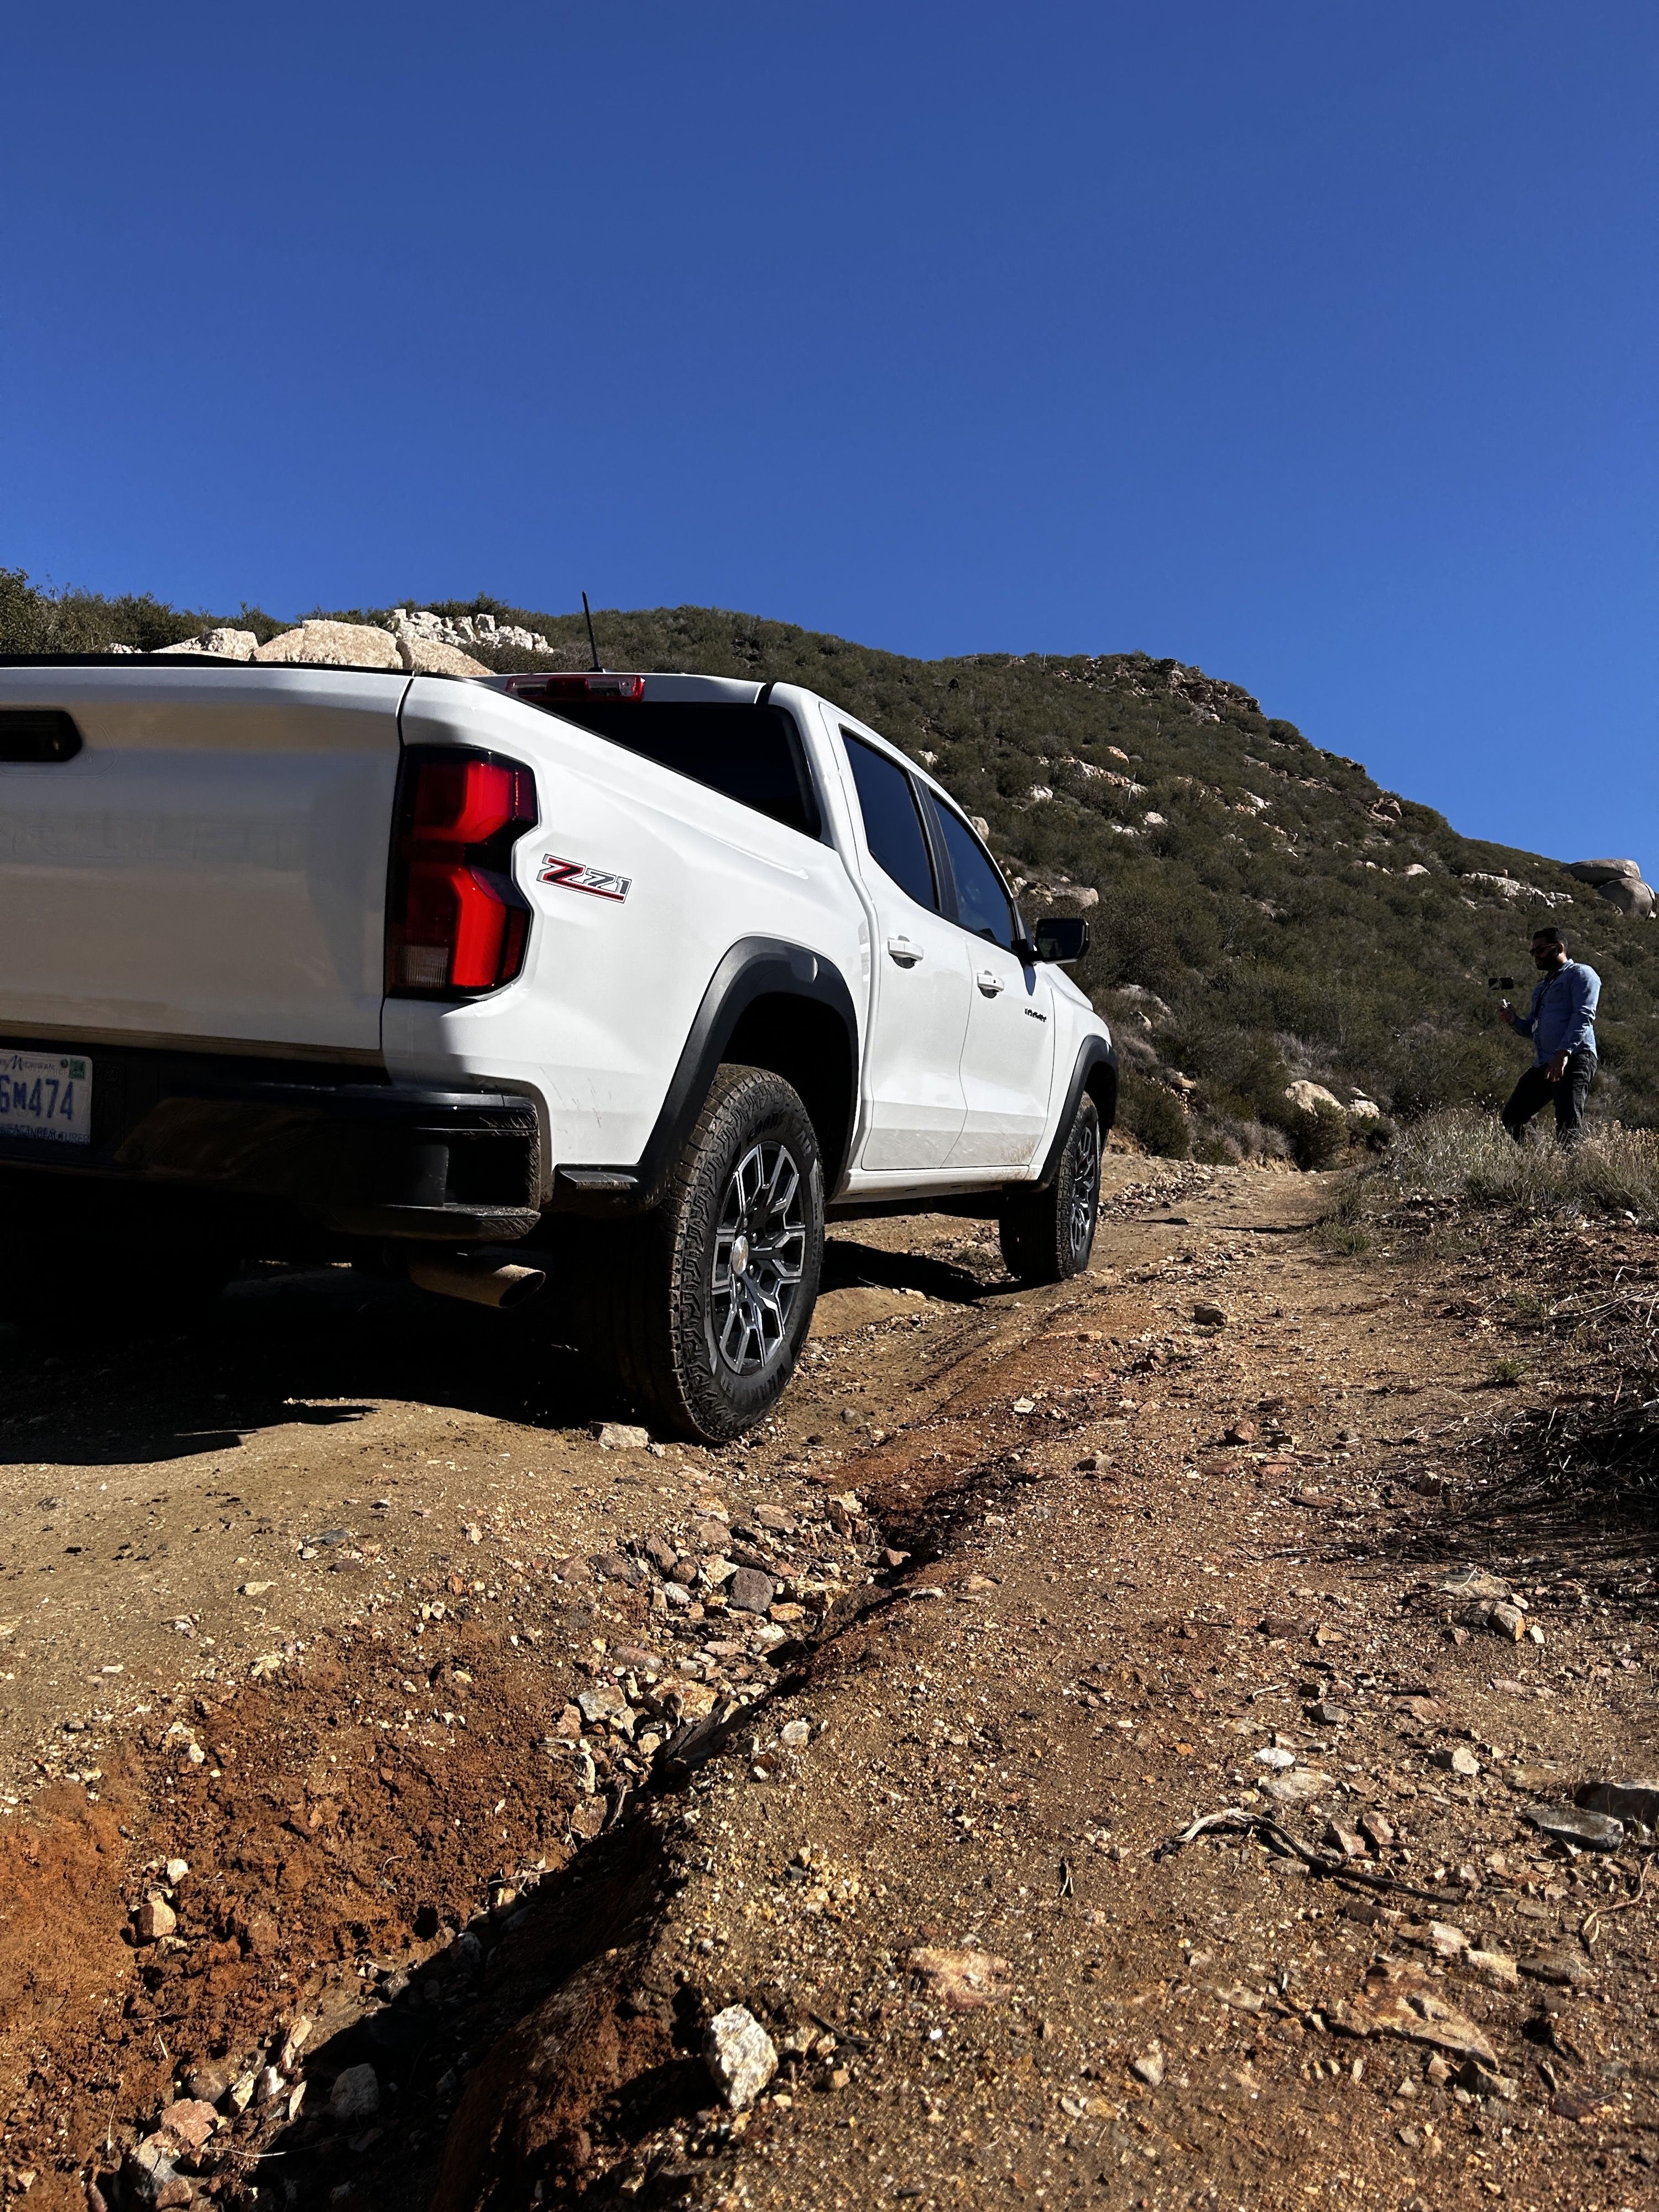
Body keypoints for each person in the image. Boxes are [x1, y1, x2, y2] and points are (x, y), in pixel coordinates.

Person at [1498, 926, 1600, 1146]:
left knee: (1568, 1125)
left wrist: (1563, 1053)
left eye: (1541, 950)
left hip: (1575, 1058)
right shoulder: (1541, 988)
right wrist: (1514, 1021)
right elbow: (1532, 1029)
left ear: (1559, 948)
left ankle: (1572, 1175)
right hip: (1545, 1062)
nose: (1536, 955)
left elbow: (1584, 1016)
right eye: (1533, 952)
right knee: (1512, 1118)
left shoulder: (1581, 974)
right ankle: (1539, 1164)